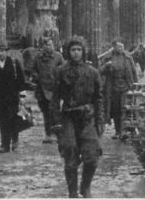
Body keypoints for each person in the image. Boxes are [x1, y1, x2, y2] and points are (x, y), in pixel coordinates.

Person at [51, 36, 103, 199]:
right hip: (68, 117)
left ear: (83, 52)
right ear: (68, 52)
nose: (76, 53)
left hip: (87, 117)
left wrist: (100, 121)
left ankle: (85, 187)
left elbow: (98, 99)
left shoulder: (92, 72)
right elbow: (55, 99)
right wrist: (56, 122)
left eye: (79, 50)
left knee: (92, 156)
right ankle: (72, 193)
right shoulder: (61, 71)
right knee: (70, 153)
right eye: (73, 50)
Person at [0, 40, 26, 153]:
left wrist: (22, 97)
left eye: (3, 51)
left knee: (13, 119)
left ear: (6, 51)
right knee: (2, 121)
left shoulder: (14, 63)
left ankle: (15, 142)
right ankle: (5, 144)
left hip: (12, 97)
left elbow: (21, 80)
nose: (1, 53)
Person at [99, 38, 137, 140]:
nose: (122, 48)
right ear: (114, 47)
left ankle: (123, 131)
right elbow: (100, 71)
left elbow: (134, 71)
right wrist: (106, 66)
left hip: (126, 86)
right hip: (113, 87)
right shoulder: (108, 57)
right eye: (119, 46)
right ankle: (117, 131)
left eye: (123, 46)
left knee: (124, 108)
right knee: (115, 110)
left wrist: (136, 85)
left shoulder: (128, 57)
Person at [30, 37, 64, 144]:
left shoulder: (58, 56)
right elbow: (32, 70)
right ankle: (48, 134)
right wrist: (37, 76)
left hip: (55, 88)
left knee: (55, 111)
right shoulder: (38, 57)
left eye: (50, 44)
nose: (49, 47)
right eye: (47, 45)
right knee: (45, 112)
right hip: (42, 88)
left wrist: (58, 78)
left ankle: (56, 134)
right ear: (43, 46)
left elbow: (63, 69)